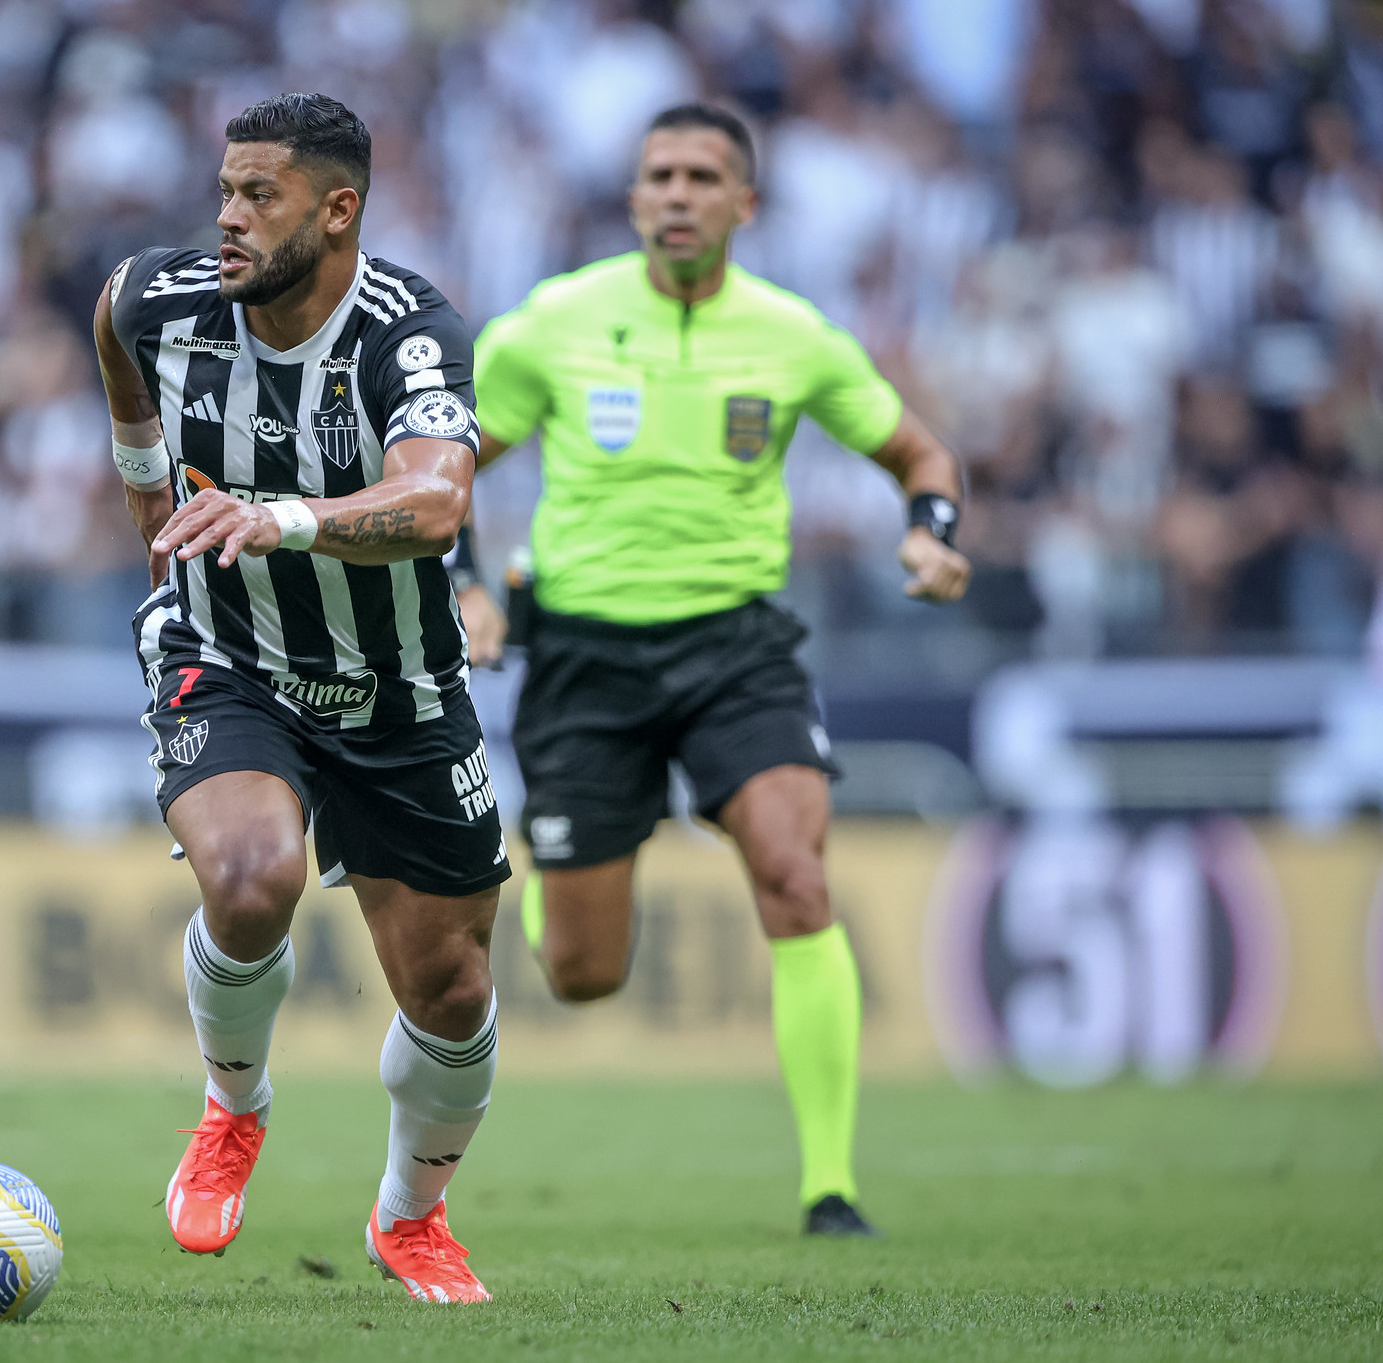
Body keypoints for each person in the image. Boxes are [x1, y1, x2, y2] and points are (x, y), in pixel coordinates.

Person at [464, 103, 972, 1237]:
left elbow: (917, 454)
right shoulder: (555, 321)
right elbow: (441, 460)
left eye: (702, 176)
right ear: (634, 198)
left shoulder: (791, 336)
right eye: (659, 175)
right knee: (581, 975)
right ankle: (554, 872)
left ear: (744, 204)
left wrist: (932, 530)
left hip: (734, 648)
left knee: (794, 875)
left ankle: (829, 1190)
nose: (678, 193)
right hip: (584, 660)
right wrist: (466, 580)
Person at [92, 93, 508, 1302]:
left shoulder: (408, 332)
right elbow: (112, 314)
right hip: (228, 655)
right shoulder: (164, 298)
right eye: (222, 189)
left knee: (452, 989)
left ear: (337, 211)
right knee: (249, 875)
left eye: (255, 195)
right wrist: (136, 468)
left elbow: (435, 505)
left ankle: (407, 1218)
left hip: (399, 688)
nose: (224, 217)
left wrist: (279, 520)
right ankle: (232, 1110)